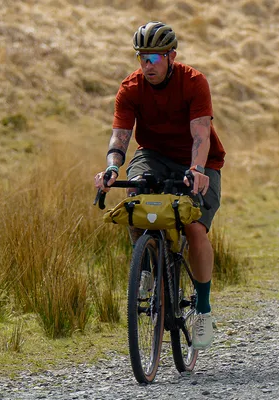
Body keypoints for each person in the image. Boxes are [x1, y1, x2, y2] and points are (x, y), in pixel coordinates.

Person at [94, 21, 226, 350]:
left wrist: (195, 169)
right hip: (152, 154)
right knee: (135, 197)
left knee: (194, 228)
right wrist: (112, 167)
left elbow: (200, 134)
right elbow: (120, 136)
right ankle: (149, 268)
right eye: (142, 58)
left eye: (154, 58)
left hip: (199, 160)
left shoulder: (194, 82)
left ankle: (204, 311)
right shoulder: (131, 88)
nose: (147, 65)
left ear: (171, 56)